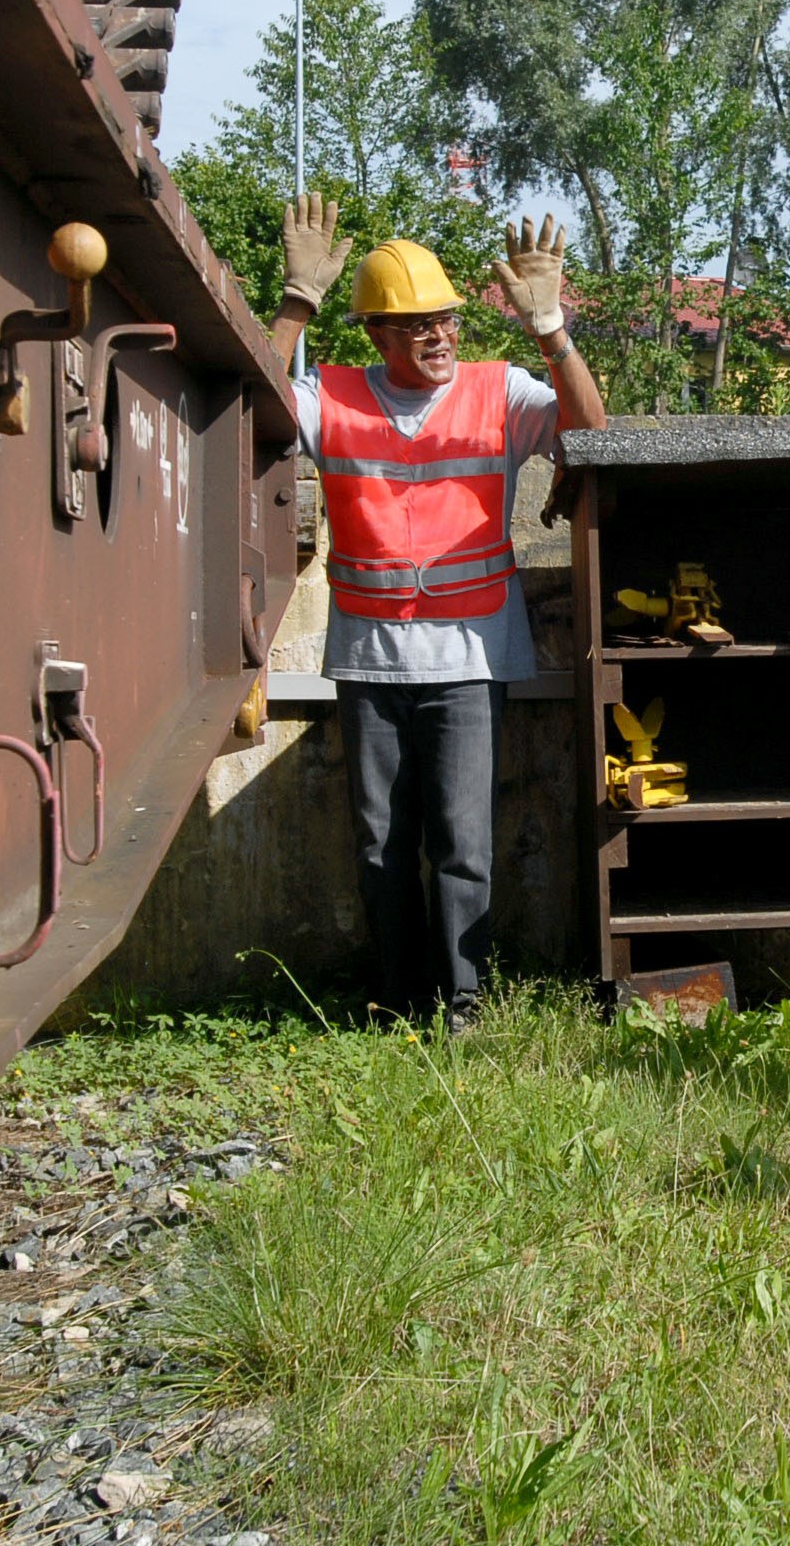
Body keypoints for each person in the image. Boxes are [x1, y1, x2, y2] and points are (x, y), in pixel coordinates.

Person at [267, 197, 607, 1028]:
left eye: (447, 319)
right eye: (416, 325)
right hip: (370, 660)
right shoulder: (332, 395)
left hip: (468, 658)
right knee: (382, 846)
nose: (440, 336)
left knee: (462, 845)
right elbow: (253, 409)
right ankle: (396, 997)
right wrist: (296, 302)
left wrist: (551, 327)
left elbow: (594, 433)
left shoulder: (502, 391)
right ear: (376, 336)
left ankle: (463, 1003)